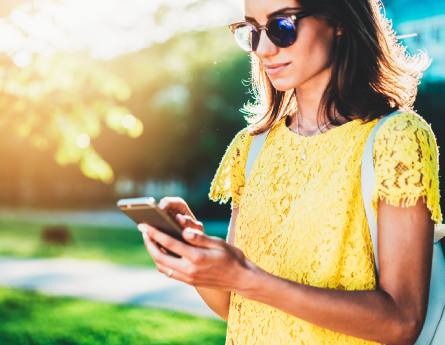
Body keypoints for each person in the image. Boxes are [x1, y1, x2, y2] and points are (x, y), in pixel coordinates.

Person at [137, 0, 441, 343]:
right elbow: (236, 307)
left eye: (283, 26)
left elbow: (401, 322)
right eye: (252, 31)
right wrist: (199, 262)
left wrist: (246, 277)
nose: (263, 49)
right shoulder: (250, 148)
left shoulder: (396, 139)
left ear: (338, 20)